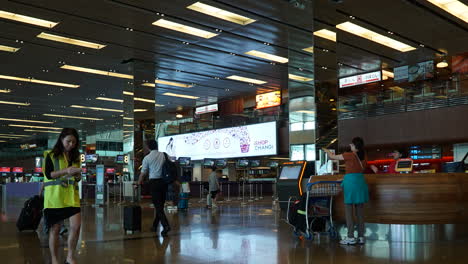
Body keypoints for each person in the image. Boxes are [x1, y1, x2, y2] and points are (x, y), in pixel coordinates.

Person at [42, 128, 82, 264]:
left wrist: (77, 175)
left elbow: (77, 179)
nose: (71, 144)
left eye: (74, 142)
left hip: (72, 198)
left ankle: (70, 256)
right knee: (55, 229)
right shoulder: (50, 155)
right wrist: (66, 170)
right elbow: (49, 174)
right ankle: (54, 259)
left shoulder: (76, 157)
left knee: (76, 227)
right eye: (68, 141)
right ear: (61, 140)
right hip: (55, 199)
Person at [323, 137, 369, 245]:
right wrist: (344, 178)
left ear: (355, 146)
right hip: (360, 183)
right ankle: (361, 236)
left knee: (349, 211)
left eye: (352, 144)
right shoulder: (363, 156)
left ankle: (350, 237)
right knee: (360, 212)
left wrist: (326, 150)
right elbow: (356, 171)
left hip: (350, 185)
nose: (350, 145)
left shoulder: (350, 155)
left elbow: (332, 157)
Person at [137, 139, 171, 236]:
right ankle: (154, 226)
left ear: (148, 147)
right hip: (164, 183)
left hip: (154, 183)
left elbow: (143, 173)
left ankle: (166, 226)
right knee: (160, 206)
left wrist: (138, 183)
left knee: (158, 206)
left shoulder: (147, 158)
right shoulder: (164, 155)